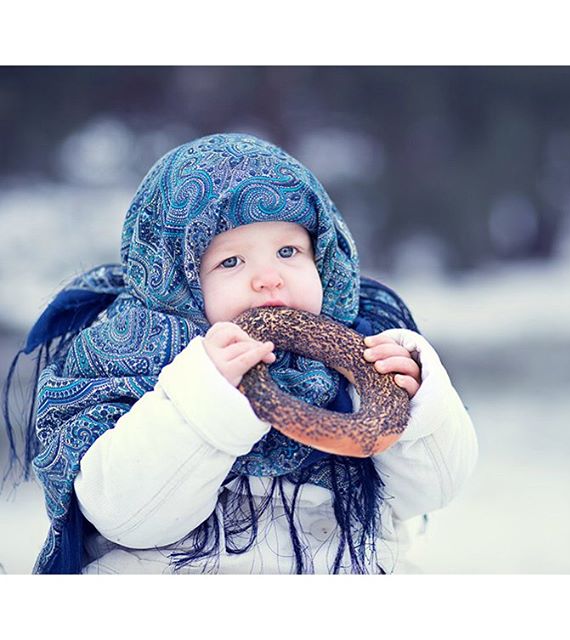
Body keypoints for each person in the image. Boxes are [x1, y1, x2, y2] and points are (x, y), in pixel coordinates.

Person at [4, 133, 478, 574]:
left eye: (289, 252)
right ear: (178, 279)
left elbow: (433, 491)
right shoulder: (127, 355)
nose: (269, 278)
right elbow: (126, 517)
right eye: (231, 261)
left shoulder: (368, 344)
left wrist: (418, 408)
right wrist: (204, 398)